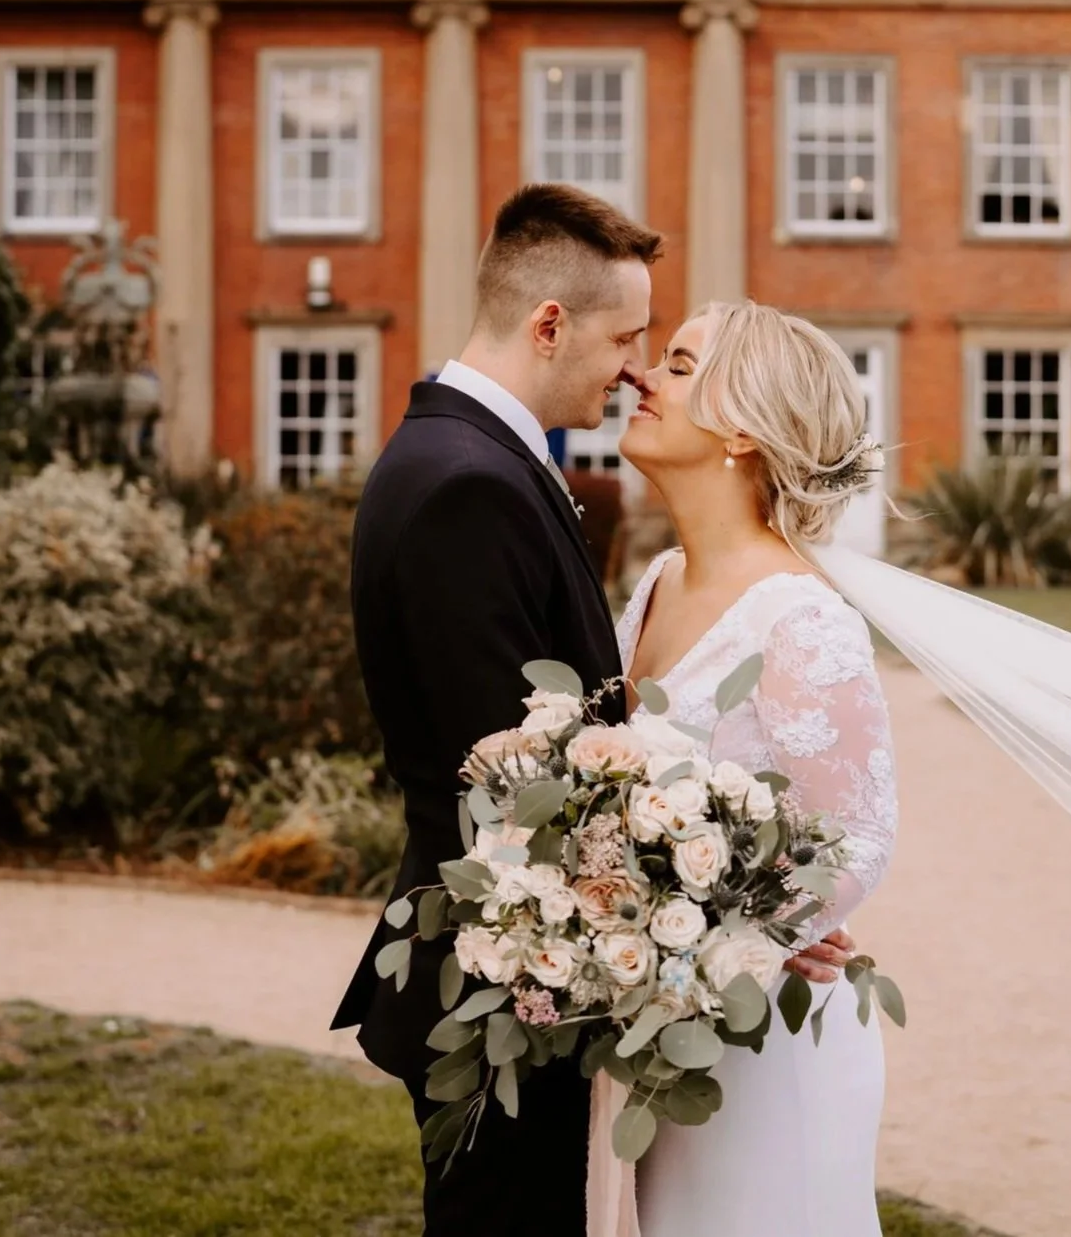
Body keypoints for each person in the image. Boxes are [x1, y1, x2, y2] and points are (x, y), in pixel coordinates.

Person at [330, 190, 852, 1237]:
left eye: (660, 353)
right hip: (503, 990)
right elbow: (517, 791)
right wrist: (725, 912)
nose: (632, 369)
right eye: (625, 339)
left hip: (535, 978)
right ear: (549, 324)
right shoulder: (465, 484)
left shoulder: (473, 460)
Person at [616, 299, 898, 1237]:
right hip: (660, 1037)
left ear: (741, 426)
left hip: (764, 1038)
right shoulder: (657, 581)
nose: (643, 376)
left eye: (680, 363)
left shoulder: (799, 618)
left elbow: (856, 838)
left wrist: (729, 944)